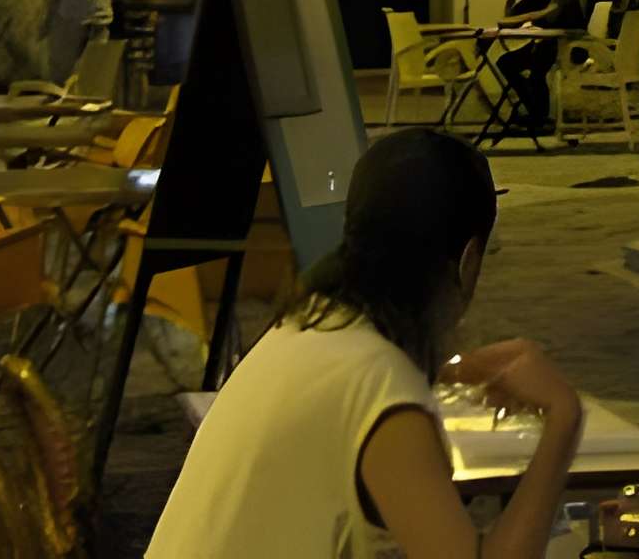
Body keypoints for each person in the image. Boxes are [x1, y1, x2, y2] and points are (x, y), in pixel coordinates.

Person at [147, 127, 583, 559]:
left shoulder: (307, 326)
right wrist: (563, 418)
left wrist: (447, 370)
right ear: (468, 261)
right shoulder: (382, 392)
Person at [496, 0, 588, 141]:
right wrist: (511, 0)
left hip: (568, 47)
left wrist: (527, 18)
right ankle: (535, 112)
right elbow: (511, 19)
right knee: (506, 62)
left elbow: (550, 14)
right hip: (547, 43)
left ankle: (539, 117)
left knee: (537, 69)